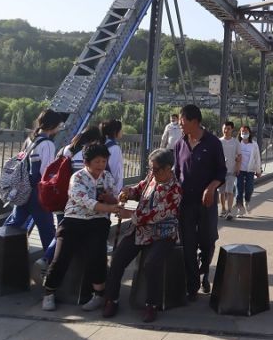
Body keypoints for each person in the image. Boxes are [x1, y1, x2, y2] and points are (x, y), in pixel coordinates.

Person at [103, 149, 182, 323]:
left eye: (156, 170)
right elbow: (140, 188)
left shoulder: (175, 189)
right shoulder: (153, 176)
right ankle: (111, 299)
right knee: (117, 258)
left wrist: (130, 215)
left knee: (151, 264)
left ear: (168, 168)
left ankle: (151, 305)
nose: (152, 173)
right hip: (140, 230)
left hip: (163, 233)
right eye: (151, 169)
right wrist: (127, 192)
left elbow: (157, 214)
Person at [42, 144, 118, 312]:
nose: (100, 165)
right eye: (97, 161)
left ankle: (98, 294)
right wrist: (109, 208)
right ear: (86, 162)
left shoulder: (107, 177)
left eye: (104, 161)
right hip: (73, 219)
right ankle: (49, 292)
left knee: (97, 254)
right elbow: (85, 201)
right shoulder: (77, 177)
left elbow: (115, 198)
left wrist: (111, 199)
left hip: (98, 221)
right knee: (61, 255)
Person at [174, 104, 226, 299]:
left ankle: (204, 271)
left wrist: (211, 187)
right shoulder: (180, 144)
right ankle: (193, 285)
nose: (179, 124)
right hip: (186, 203)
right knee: (187, 243)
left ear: (194, 121)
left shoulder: (213, 143)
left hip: (207, 203)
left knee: (208, 240)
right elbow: (177, 172)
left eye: (182, 120)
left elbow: (221, 172)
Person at [42, 126, 103, 263]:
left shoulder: (64, 149)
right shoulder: (87, 154)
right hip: (74, 202)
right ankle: (47, 260)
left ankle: (49, 261)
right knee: (64, 234)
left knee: (62, 231)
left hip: (58, 196)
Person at [5, 109, 63, 251]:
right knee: (47, 230)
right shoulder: (47, 144)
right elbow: (46, 172)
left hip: (23, 189)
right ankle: (50, 264)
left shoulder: (30, 139)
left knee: (14, 222)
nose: (60, 128)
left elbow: (20, 161)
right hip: (38, 193)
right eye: (59, 125)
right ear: (53, 125)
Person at [235, 125, 262, 217]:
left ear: (249, 133)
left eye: (246, 132)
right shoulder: (237, 143)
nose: (244, 134)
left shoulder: (254, 145)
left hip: (250, 170)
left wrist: (258, 171)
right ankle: (240, 208)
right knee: (239, 189)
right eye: (242, 132)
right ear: (240, 133)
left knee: (249, 188)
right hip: (239, 170)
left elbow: (257, 158)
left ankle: (247, 201)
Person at [219, 121, 242, 220]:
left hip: (231, 170)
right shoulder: (219, 141)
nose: (226, 130)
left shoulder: (235, 142)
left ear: (232, 130)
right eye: (224, 128)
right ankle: (223, 208)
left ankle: (229, 211)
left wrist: (237, 167)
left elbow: (239, 156)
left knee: (229, 191)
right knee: (221, 191)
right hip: (220, 170)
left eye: (228, 128)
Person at [100, 119, 125, 192]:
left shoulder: (102, 143)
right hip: (110, 189)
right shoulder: (114, 148)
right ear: (115, 131)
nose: (122, 131)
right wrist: (117, 189)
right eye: (121, 129)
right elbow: (115, 171)